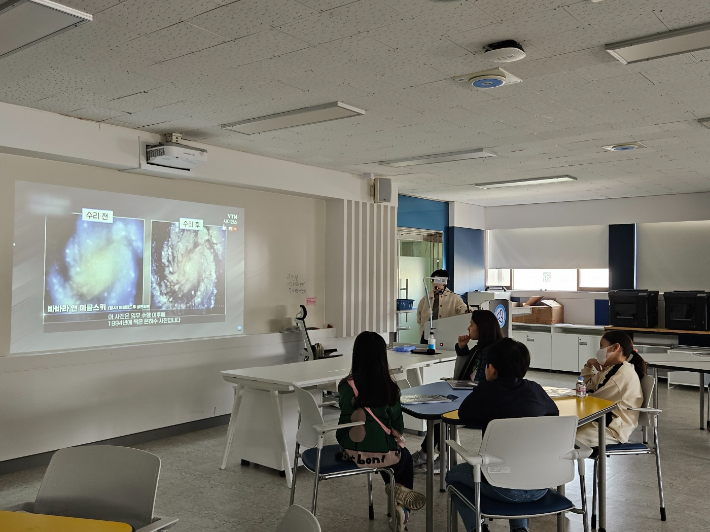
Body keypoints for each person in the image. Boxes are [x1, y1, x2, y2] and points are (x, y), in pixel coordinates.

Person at [445, 338, 559, 532]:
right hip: (541, 483)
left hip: (501, 485)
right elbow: (553, 414)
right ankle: (519, 529)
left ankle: (477, 528)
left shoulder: (486, 392)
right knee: (519, 466)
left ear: (492, 369)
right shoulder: (535, 389)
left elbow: (465, 414)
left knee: (452, 477)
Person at [336, 331, 425, 532]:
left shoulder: (345, 385)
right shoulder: (390, 388)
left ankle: (395, 491)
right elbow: (398, 426)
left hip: (352, 451)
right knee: (403, 459)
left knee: (383, 456)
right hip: (383, 453)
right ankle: (401, 502)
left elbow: (344, 411)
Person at [411, 310, 503, 472]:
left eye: (472, 325)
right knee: (438, 408)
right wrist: (462, 348)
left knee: (441, 412)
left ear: (482, 328)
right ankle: (429, 454)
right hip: (469, 395)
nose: (468, 328)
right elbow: (467, 373)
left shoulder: (490, 352)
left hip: (478, 402)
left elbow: (479, 383)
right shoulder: (480, 348)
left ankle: (439, 457)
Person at [576, 330, 645, 447]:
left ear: (615, 347)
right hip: (600, 422)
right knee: (562, 432)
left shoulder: (621, 375)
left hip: (612, 430)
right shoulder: (610, 369)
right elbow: (586, 387)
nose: (599, 350)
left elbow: (591, 401)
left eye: (602, 345)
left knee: (565, 439)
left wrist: (579, 393)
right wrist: (589, 365)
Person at [416, 269, 468, 343]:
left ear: (444, 283)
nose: (434, 283)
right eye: (433, 280)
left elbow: (462, 308)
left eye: (437, 280)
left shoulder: (454, 297)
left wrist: (466, 311)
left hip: (446, 335)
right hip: (427, 335)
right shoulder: (426, 298)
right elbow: (419, 317)